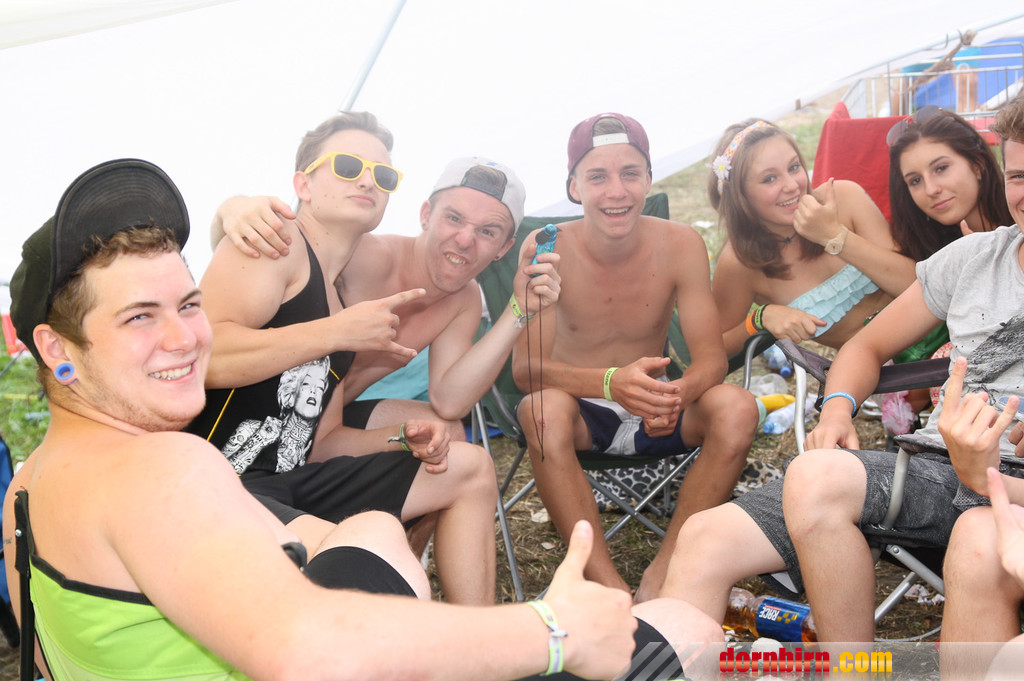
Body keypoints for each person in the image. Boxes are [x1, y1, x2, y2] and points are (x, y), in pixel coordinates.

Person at [2, 157, 725, 681]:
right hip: (297, 561)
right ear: (57, 351)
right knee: (689, 631)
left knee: (378, 528)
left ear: (504, 246)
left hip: (301, 479)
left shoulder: (25, 489)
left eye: (188, 305)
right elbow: (305, 647)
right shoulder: (168, 468)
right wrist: (554, 631)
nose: (188, 338)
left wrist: (510, 314)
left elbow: (41, 657)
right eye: (138, 316)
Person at [659, 97, 1024, 648]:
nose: (789, 184)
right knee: (703, 535)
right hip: (931, 463)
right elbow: (866, 345)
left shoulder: (843, 204)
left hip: (1001, 475)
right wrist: (835, 410)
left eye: (792, 167)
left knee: (822, 479)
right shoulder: (975, 257)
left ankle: (847, 669)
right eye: (1018, 176)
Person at [187, 113, 523, 605]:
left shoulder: (336, 293)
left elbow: (322, 440)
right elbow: (203, 357)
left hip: (292, 475)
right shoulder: (278, 245)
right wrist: (231, 209)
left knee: (468, 465)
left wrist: (400, 437)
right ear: (303, 184)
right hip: (217, 482)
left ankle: (482, 634)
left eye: (382, 176)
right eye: (347, 166)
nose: (367, 180)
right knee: (381, 567)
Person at [511, 112, 759, 603]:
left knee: (738, 407)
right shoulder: (548, 248)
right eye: (597, 177)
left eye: (630, 173)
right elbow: (526, 371)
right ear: (574, 186)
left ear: (648, 178)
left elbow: (711, 360)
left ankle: (667, 571)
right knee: (540, 410)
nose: (616, 191)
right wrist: (609, 383)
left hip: (656, 405)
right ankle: (607, 585)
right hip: (580, 410)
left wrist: (676, 395)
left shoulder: (681, 243)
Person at [210, 155, 560, 437]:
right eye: (454, 218)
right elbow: (273, 251)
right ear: (426, 215)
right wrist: (232, 209)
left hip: (326, 426)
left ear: (504, 249)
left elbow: (449, 402)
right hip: (248, 409)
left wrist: (518, 309)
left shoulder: (462, 300)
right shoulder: (364, 256)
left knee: (444, 432)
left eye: (487, 231)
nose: (466, 240)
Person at [709, 118, 916, 355]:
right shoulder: (740, 262)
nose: (792, 186)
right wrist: (759, 319)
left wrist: (834, 237)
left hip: (934, 330)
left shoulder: (844, 197)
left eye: (794, 167)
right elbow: (715, 347)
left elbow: (916, 283)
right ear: (740, 196)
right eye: (769, 178)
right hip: (876, 366)